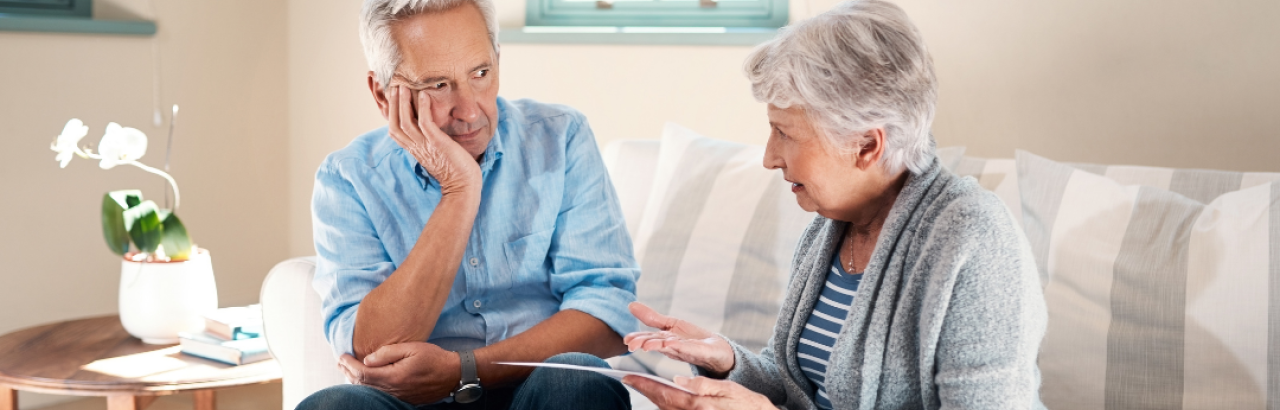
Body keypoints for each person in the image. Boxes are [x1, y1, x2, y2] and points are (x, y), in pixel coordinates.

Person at [621, 1, 1048, 409]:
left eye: (784, 133)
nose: (770, 157)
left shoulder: (974, 239)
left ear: (866, 145)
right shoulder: (833, 228)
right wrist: (728, 361)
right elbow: (800, 387)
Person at [296, 0, 638, 408]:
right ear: (382, 94)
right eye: (438, 85)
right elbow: (374, 351)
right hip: (414, 402)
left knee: (576, 384)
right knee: (335, 406)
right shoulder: (347, 177)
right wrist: (460, 191)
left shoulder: (560, 137)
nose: (470, 111)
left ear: (497, 61)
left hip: (538, 386)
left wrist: (466, 369)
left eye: (480, 73)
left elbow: (609, 314)